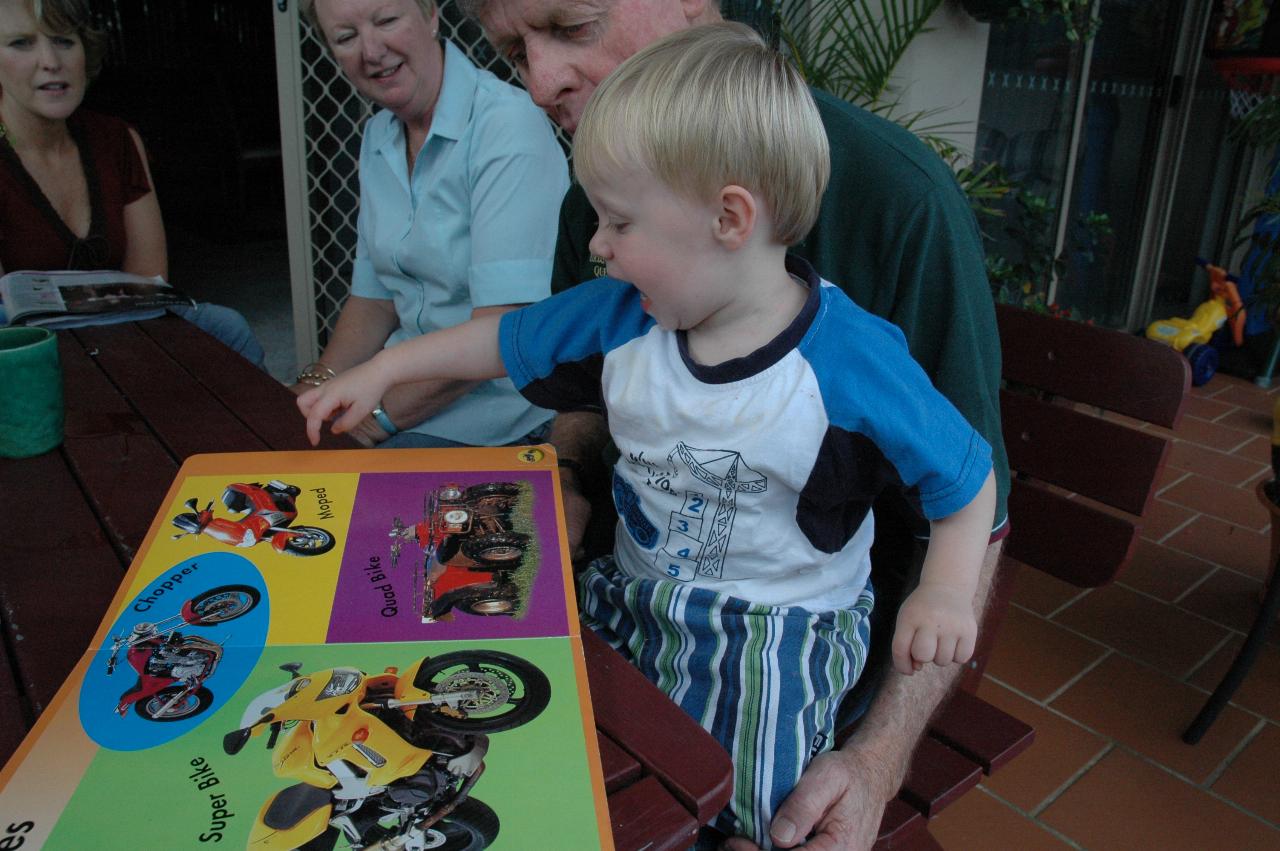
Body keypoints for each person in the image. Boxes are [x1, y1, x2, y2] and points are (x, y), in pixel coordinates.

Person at [298, 23, 997, 847]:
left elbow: (967, 474)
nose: (597, 244)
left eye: (620, 222)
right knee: (554, 716)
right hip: (636, 591)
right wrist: (382, 369)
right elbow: (504, 339)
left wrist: (945, 590)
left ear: (728, 219)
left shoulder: (848, 362)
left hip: (774, 635)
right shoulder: (626, 316)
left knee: (754, 804)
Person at [291, 0, 569, 449]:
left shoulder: (505, 125)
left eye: (386, 21)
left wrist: (370, 421)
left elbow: (504, 332)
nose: (371, 50)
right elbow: (373, 301)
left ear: (431, 15)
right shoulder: (379, 135)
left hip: (497, 420)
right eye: (346, 37)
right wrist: (316, 387)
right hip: (395, 395)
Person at [0, 0, 265, 366]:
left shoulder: (116, 138)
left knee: (227, 326)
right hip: (23, 346)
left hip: (118, 324)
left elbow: (147, 283)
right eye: (21, 43)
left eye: (64, 41)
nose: (50, 60)